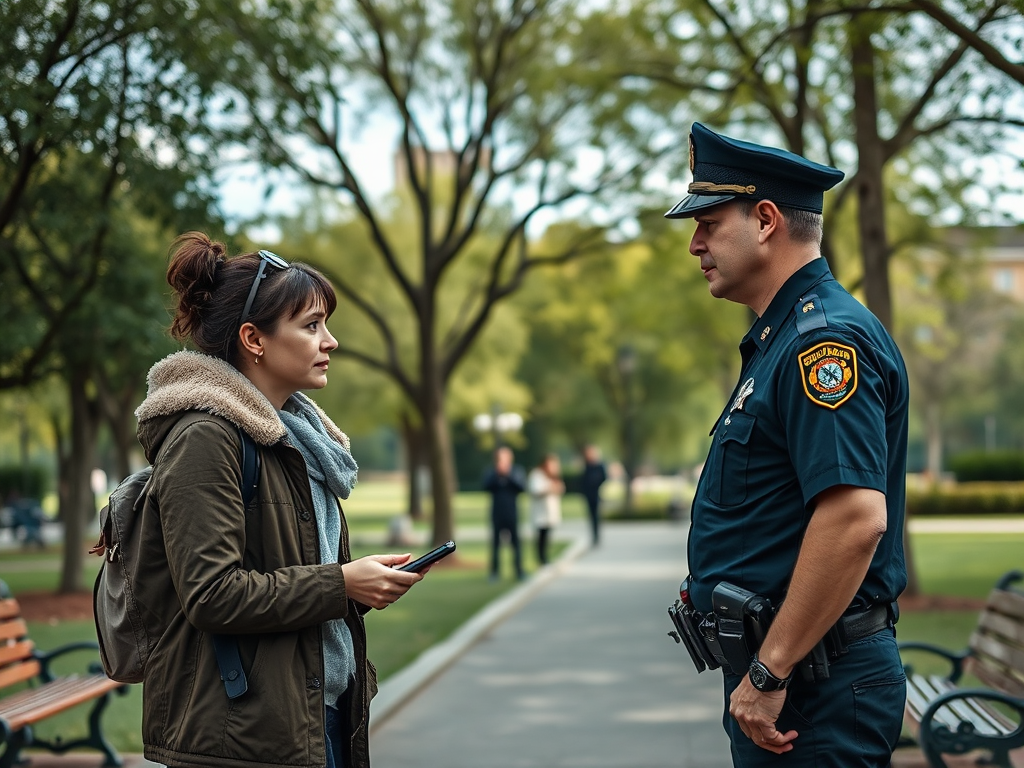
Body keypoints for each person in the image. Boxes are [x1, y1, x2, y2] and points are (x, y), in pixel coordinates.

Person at [130, 232, 425, 768]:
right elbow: (212, 594)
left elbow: (291, 573)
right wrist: (340, 583)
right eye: (311, 326)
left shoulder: (297, 439)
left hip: (317, 713)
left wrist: (360, 586)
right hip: (244, 736)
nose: (330, 341)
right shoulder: (206, 437)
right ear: (254, 339)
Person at [664, 124, 909, 767]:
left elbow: (855, 519)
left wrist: (769, 673)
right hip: (798, 684)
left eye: (710, 223)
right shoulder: (781, 341)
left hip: (811, 690)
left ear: (766, 219)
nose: (695, 245)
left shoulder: (820, 344)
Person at [482, 446, 525, 581]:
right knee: (495, 544)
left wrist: (508, 474)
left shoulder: (516, 471)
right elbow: (485, 486)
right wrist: (497, 474)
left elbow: (521, 487)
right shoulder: (491, 472)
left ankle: (519, 571)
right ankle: (494, 572)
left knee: (516, 543)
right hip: (497, 513)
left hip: (511, 512)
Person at [528, 454, 565, 565]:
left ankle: (546, 557)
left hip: (550, 511)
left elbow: (560, 488)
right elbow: (536, 490)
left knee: (548, 536)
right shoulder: (536, 475)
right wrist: (550, 488)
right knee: (541, 536)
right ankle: (541, 558)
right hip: (540, 512)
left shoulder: (553, 476)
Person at [579, 445, 607, 545]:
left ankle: (597, 537)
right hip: (589, 494)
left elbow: (604, 477)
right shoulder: (587, 465)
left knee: (596, 516)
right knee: (591, 516)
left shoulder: (599, 465)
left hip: (597, 493)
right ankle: (593, 536)